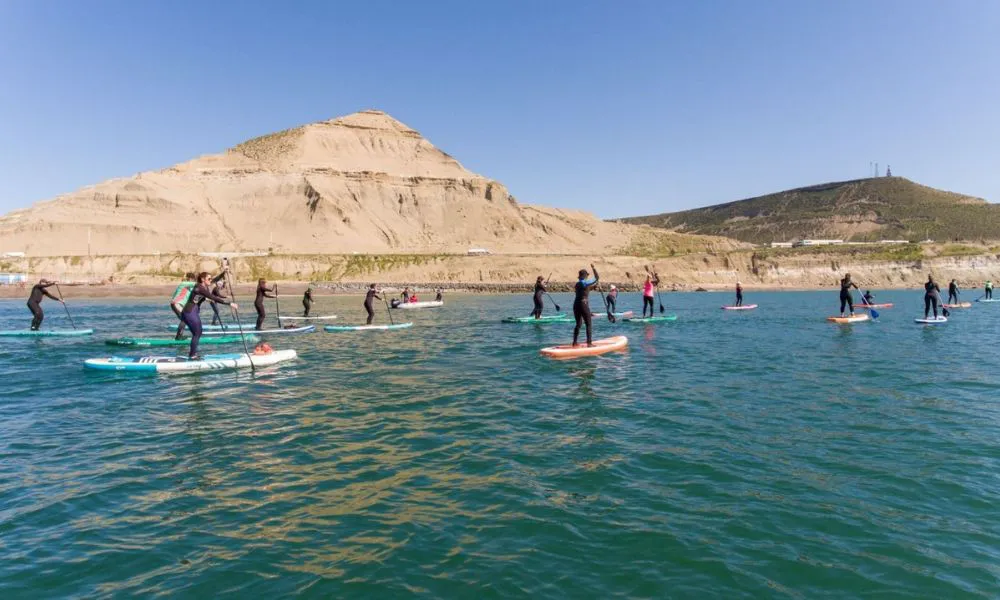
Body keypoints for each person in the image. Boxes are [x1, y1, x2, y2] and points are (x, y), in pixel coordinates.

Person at [181, 270, 236, 359]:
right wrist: (229, 303)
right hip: (190, 312)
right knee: (197, 333)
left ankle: (192, 353)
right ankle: (192, 355)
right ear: (203, 279)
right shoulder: (200, 288)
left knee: (197, 333)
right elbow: (213, 297)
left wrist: (224, 272)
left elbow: (199, 297)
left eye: (211, 279)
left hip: (190, 312)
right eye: (209, 279)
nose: (211, 280)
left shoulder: (203, 287)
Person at [573, 264, 599, 347]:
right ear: (585, 276)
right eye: (587, 276)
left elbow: (584, 290)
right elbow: (597, 277)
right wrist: (593, 268)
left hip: (576, 305)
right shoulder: (585, 282)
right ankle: (589, 343)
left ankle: (574, 342)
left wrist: (594, 287)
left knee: (578, 324)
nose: (587, 277)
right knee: (588, 324)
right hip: (583, 304)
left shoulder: (577, 284)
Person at [170, 272, 196, 339]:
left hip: (177, 304)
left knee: (185, 319)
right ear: (190, 279)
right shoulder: (184, 283)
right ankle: (178, 337)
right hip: (177, 304)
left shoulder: (188, 287)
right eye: (193, 279)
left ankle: (179, 336)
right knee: (184, 319)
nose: (194, 281)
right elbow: (198, 284)